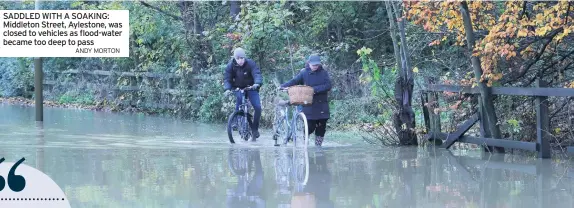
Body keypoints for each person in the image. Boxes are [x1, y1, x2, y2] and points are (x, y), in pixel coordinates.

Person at [280, 54, 332, 146]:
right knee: (310, 126)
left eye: (317, 65)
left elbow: (328, 86)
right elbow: (294, 81)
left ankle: (318, 146)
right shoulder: (304, 73)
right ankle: (305, 142)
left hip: (322, 104)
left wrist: (313, 90)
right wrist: (283, 86)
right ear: (309, 63)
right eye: (313, 65)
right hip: (309, 104)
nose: (315, 67)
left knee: (322, 126)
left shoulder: (324, 73)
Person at [224, 47, 263, 140]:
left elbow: (257, 74)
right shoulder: (230, 66)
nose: (240, 61)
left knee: (258, 107)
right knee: (239, 103)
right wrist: (228, 88)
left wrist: (257, 83)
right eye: (238, 59)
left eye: (242, 58)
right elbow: (227, 79)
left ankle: (255, 128)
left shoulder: (250, 63)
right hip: (238, 88)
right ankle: (236, 121)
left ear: (244, 58)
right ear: (235, 58)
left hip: (251, 88)